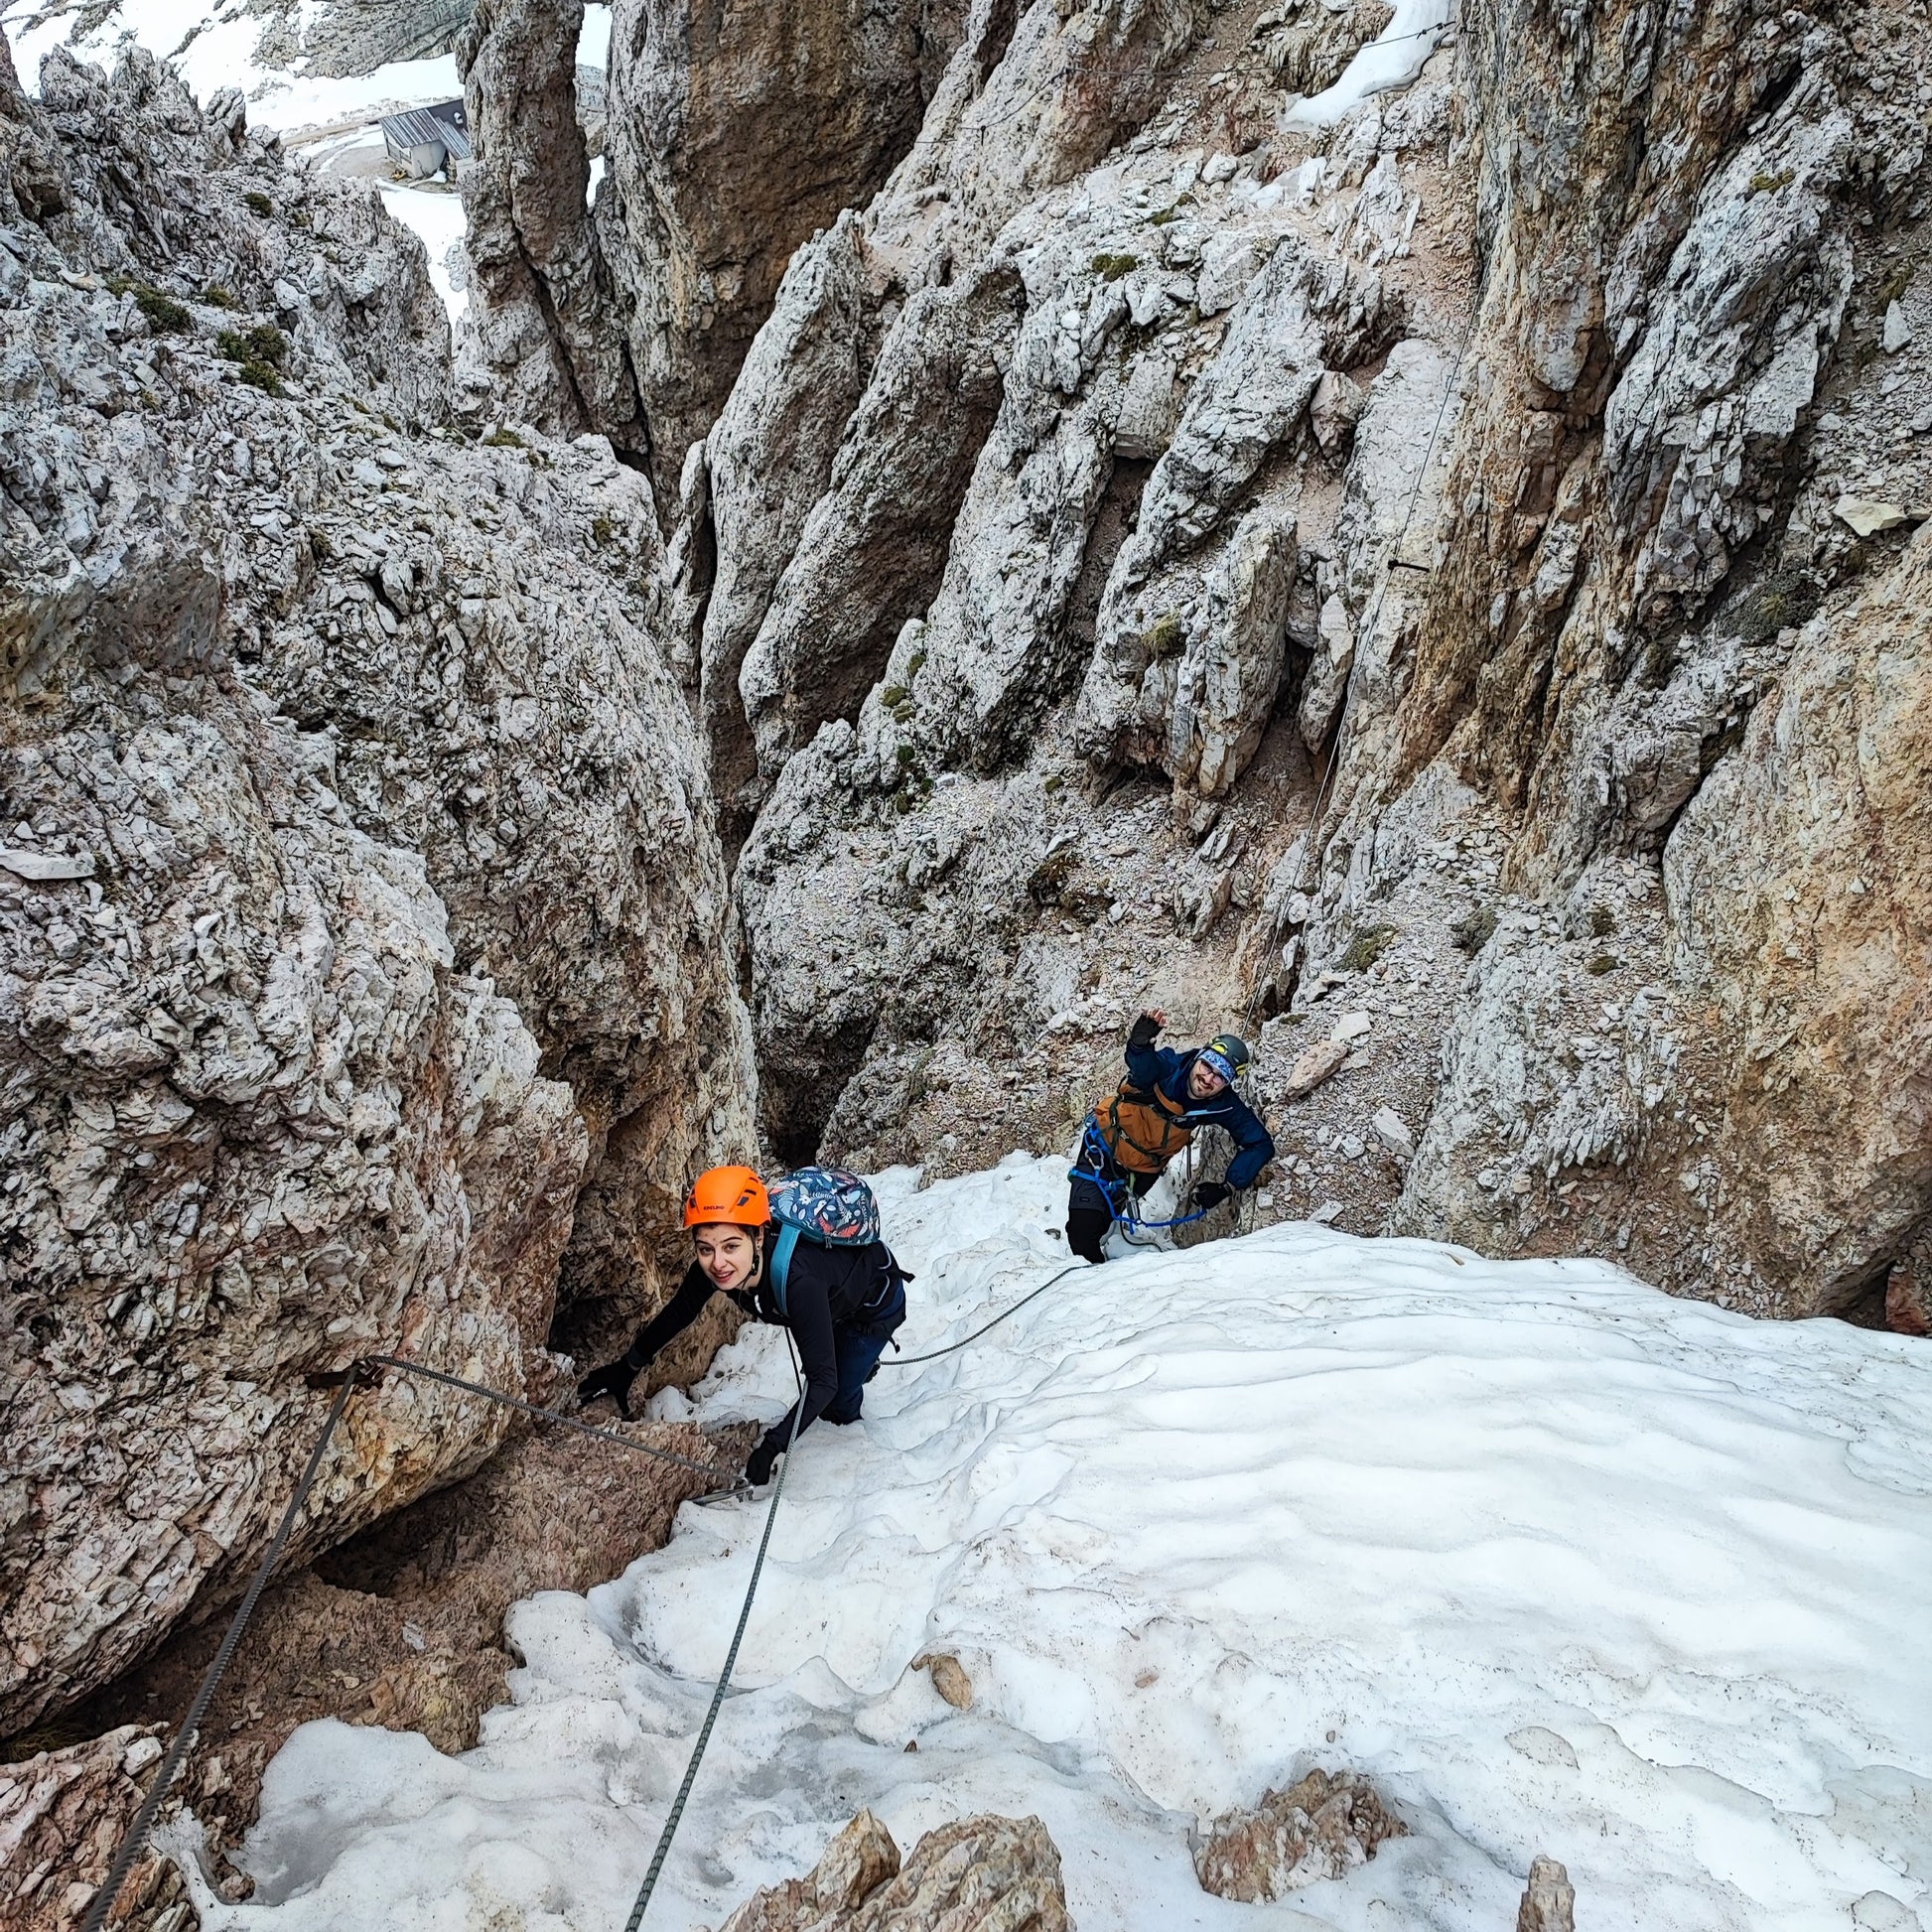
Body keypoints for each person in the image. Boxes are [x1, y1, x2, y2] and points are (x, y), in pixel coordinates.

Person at [575, 1165, 910, 1486]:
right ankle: (852, 1359)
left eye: (731, 1246)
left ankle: (850, 1420)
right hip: (830, 1302)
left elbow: (824, 1384)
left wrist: (772, 1446)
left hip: (872, 1310)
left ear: (759, 1236)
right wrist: (627, 1367)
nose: (718, 1263)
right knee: (830, 1358)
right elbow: (680, 1313)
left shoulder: (799, 1282)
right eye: (705, 1249)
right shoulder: (725, 1266)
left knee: (838, 1397)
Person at [1066, 1010, 1274, 1264]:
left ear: (1228, 1083)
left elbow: (1260, 1143)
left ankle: (1106, 1232)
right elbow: (1144, 1068)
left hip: (1142, 1171)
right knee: (1081, 1234)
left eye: (1220, 1075)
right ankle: (1092, 1283)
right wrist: (1139, 1043)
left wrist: (1228, 1186)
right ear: (1199, 1057)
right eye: (1207, 1065)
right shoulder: (1169, 1067)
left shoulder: (1221, 1105)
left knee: (1103, 1219)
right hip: (1101, 1151)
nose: (1208, 1078)